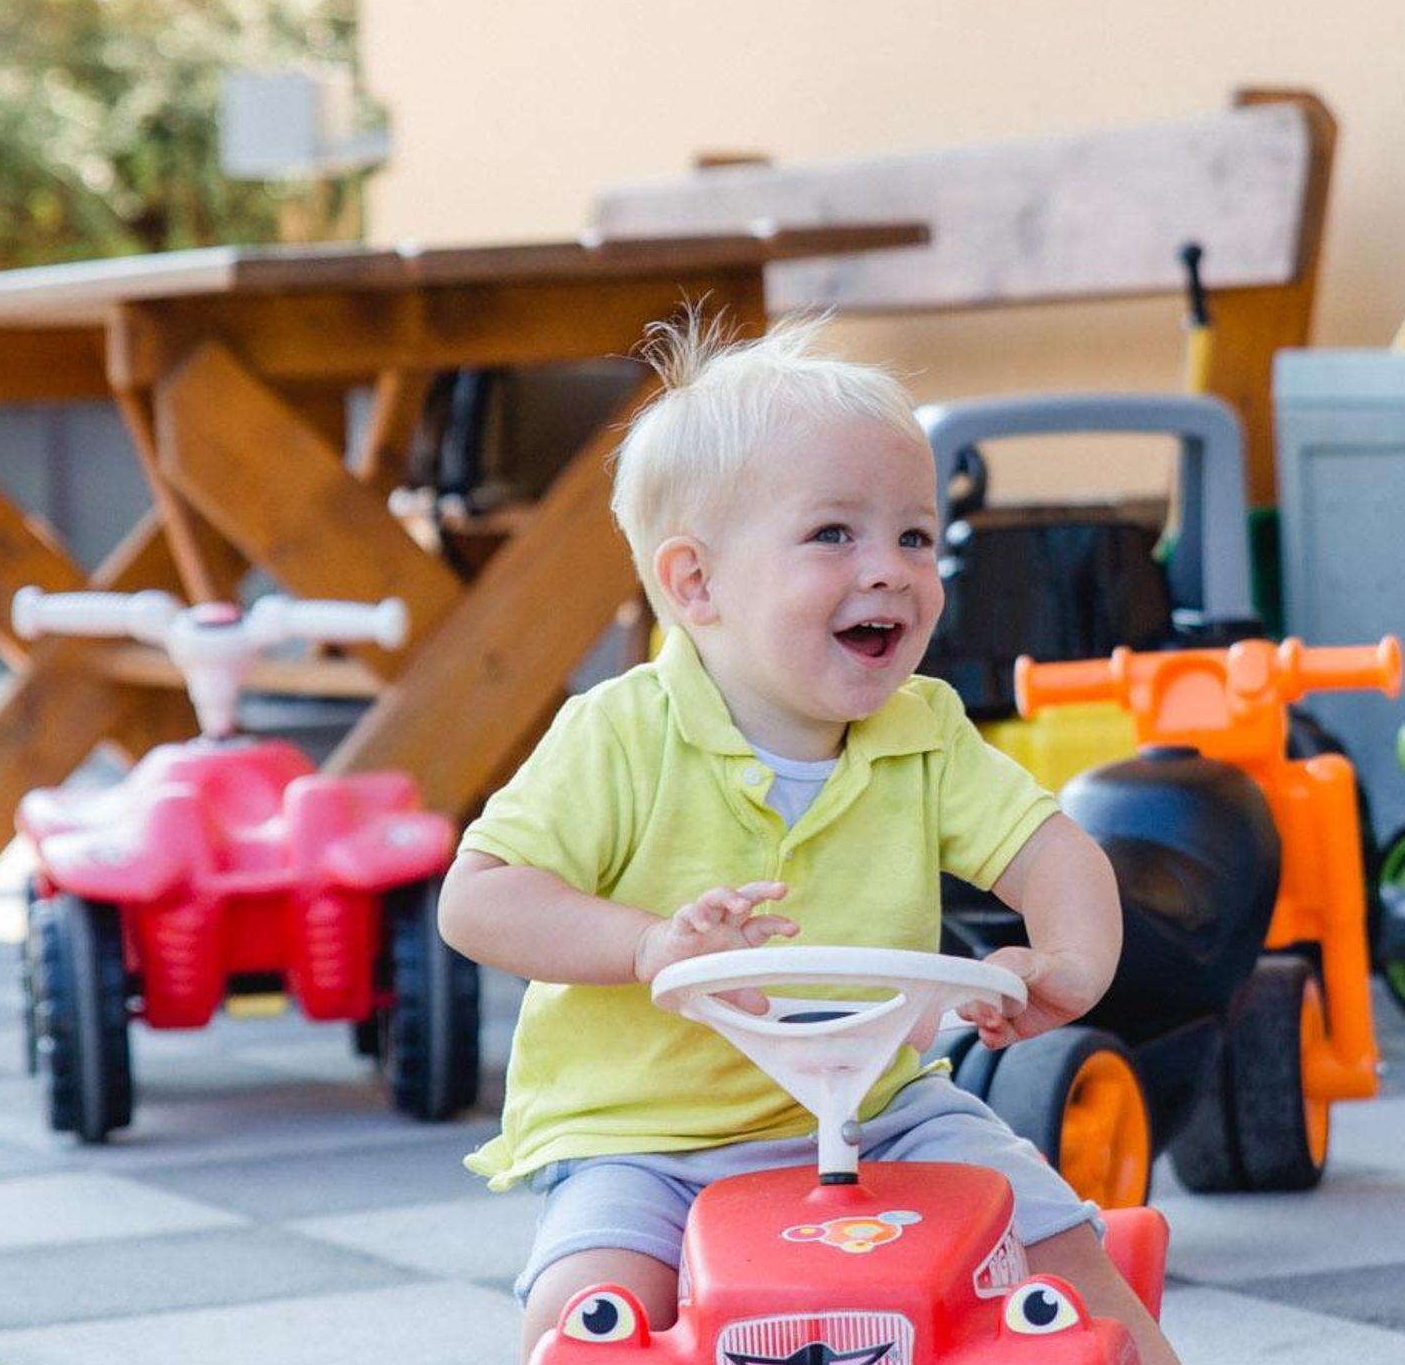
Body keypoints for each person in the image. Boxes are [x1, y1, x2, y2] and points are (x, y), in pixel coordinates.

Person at [438, 311, 1179, 1365]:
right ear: (696, 583)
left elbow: (1053, 851)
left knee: (1059, 1245)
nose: (890, 570)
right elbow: (478, 898)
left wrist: (1066, 961)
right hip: (646, 1138)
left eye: (914, 536)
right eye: (834, 534)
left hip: (886, 1109)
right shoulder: (618, 735)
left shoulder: (923, 731)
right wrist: (646, 945)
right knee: (584, 1310)